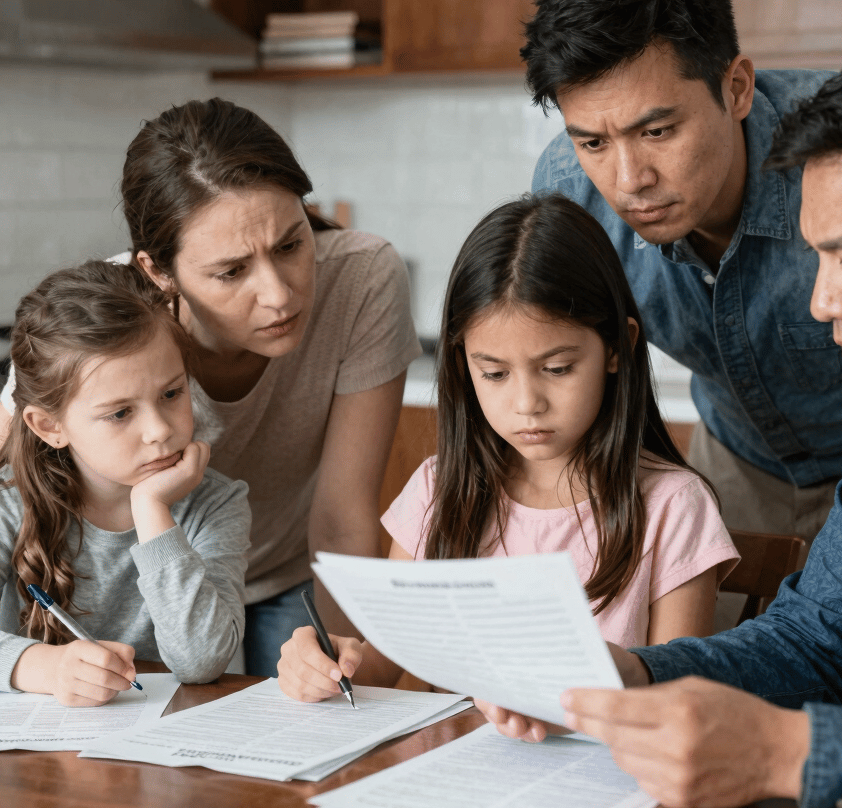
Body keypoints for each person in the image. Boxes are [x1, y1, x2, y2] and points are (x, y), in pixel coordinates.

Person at [477, 31, 842, 807]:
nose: (821, 301)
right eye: (818, 260)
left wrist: (794, 750)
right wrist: (635, 672)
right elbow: (820, 640)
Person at [1, 98, 422, 676]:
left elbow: (341, 511)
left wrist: (344, 670)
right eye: (230, 272)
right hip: (137, 596)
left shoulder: (363, 278)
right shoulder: (110, 328)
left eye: (291, 245)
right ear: (155, 271)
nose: (279, 294)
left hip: (287, 576)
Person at [276, 194, 739, 701]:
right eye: (493, 373)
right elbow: (381, 667)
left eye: (558, 368)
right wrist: (328, 666)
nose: (526, 403)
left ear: (617, 348)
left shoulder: (674, 506)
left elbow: (673, 701)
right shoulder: (438, 488)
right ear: (462, 365)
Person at [524, 0, 842, 553]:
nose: (630, 181)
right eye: (593, 143)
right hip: (737, 461)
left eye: (657, 131)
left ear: (736, 88)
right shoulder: (571, 196)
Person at [0, 261, 250, 705]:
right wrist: (49, 667)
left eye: (172, 394)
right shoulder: (9, 503)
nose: (159, 430)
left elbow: (202, 661)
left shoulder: (216, 504)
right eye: (119, 413)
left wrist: (152, 509)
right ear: (49, 425)